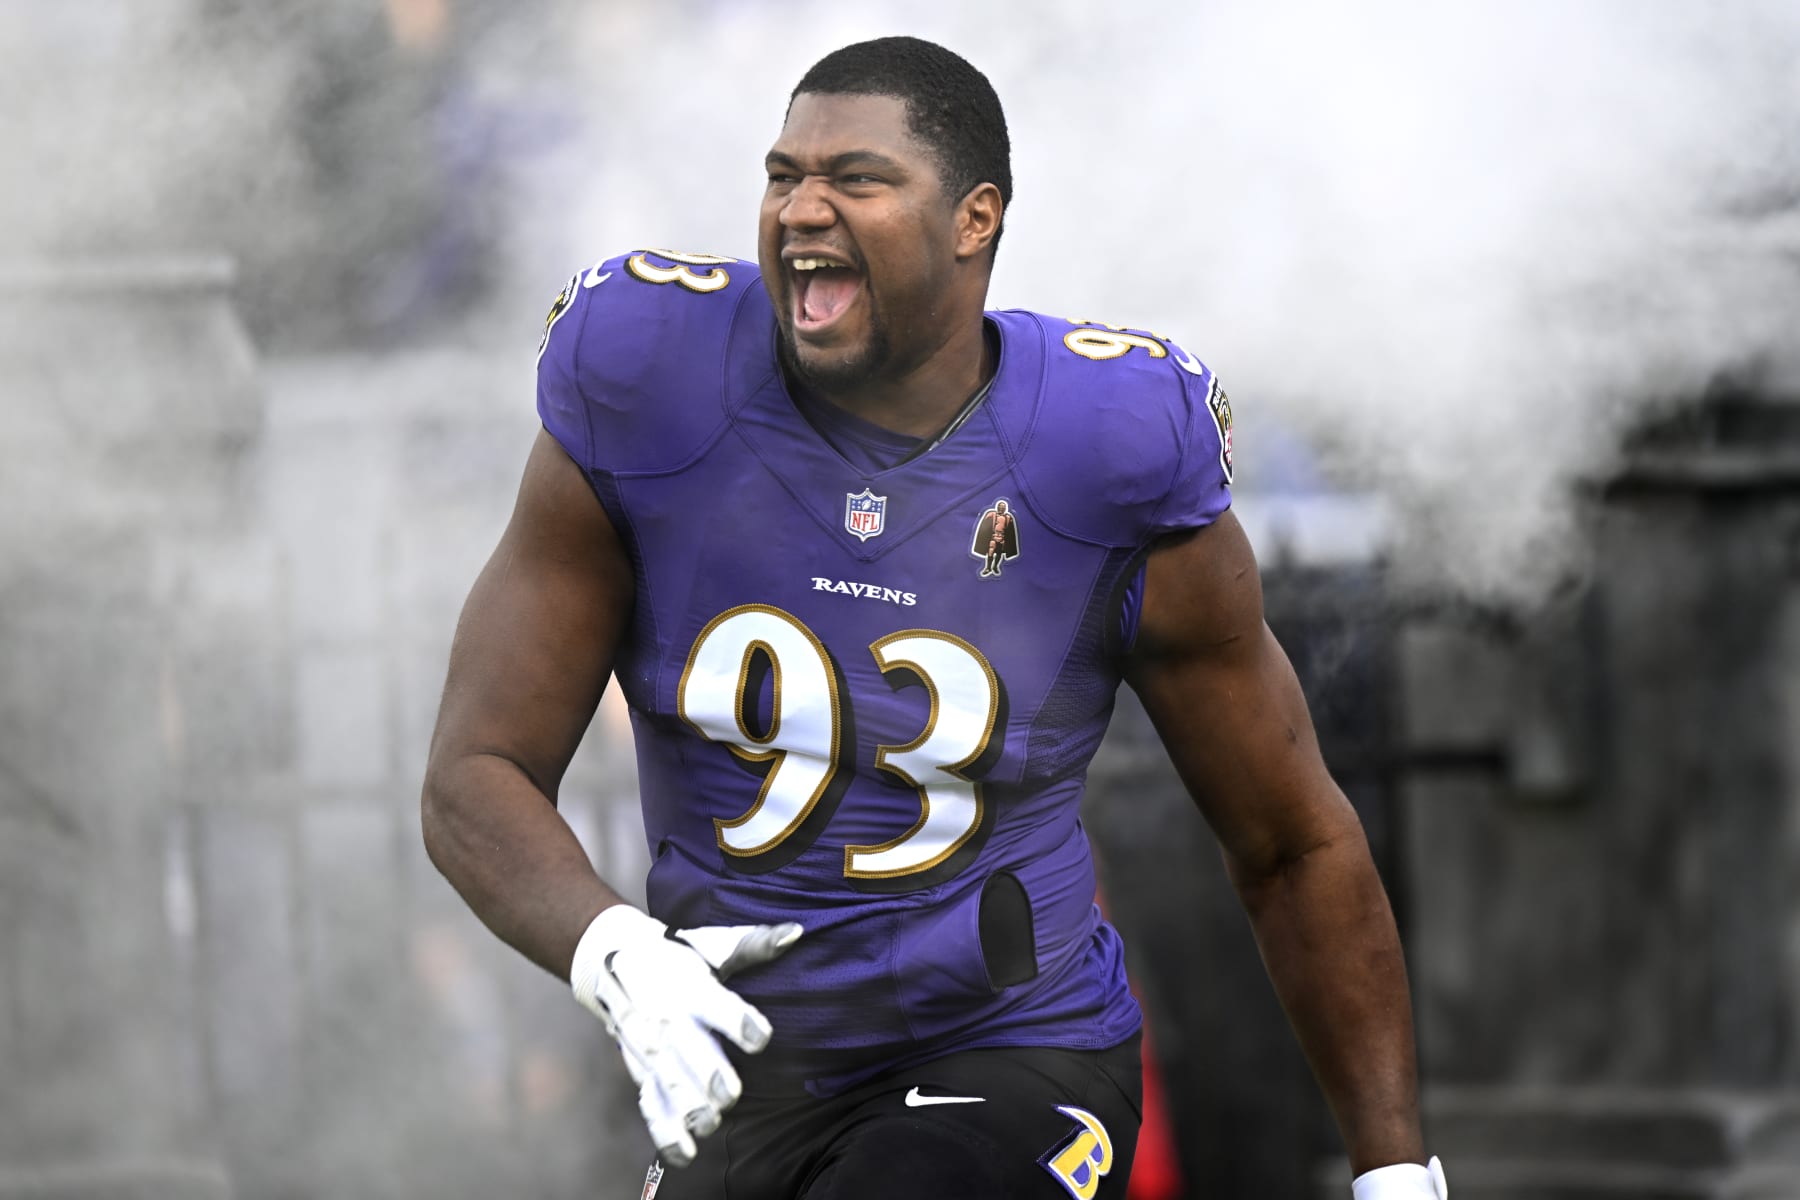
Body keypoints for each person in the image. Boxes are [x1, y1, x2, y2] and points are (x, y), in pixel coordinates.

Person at [422, 35, 1446, 1200]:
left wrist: (1396, 1171)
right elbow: (475, 770)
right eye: (781, 175)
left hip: (1008, 1046)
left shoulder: (1105, 446)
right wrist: (613, 953)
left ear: (975, 220)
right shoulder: (648, 380)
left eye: (857, 179)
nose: (803, 209)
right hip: (747, 1061)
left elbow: (1292, 838)